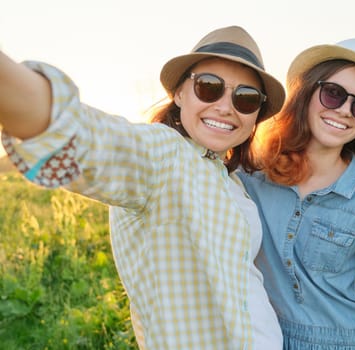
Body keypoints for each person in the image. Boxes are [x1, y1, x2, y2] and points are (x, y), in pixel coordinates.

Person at [0, 26, 285, 349]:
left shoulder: (234, 183)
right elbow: (88, 137)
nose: (225, 106)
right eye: (209, 87)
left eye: (245, 98)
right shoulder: (163, 157)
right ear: (179, 94)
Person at [238, 38, 355, 349]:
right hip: (268, 337)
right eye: (333, 94)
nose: (344, 111)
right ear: (306, 93)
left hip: (350, 340)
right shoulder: (253, 180)